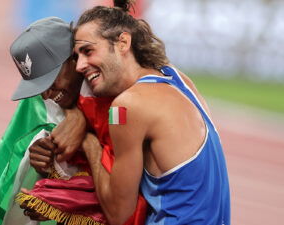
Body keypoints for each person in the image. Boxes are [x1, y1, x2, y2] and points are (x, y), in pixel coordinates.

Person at [73, 1, 231, 224]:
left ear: (123, 42)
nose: (80, 65)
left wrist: (88, 143)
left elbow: (119, 213)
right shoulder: (178, 80)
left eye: (88, 51)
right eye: (77, 57)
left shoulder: (128, 105)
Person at [11, 16, 148, 225]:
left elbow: (127, 203)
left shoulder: (123, 102)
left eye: (49, 80)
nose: (47, 95)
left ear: (75, 58)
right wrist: (48, 160)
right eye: (39, 87)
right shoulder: (67, 100)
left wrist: (86, 142)